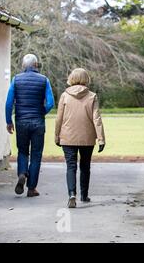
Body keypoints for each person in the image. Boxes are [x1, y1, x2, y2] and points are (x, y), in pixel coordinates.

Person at [55, 68, 105, 208]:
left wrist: (57, 136)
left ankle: (72, 194)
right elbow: (97, 118)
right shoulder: (92, 96)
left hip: (67, 136)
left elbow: (59, 118)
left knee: (71, 166)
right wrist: (101, 138)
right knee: (85, 166)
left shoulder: (65, 95)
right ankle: (84, 194)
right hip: (87, 137)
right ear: (86, 79)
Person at [5, 54, 55, 197]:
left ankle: (22, 173)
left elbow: (9, 103)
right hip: (38, 122)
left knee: (22, 151)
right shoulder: (44, 80)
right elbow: (50, 103)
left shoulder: (16, 80)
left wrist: (9, 121)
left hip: (21, 121)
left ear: (23, 65)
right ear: (36, 64)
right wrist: (41, 113)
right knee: (36, 154)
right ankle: (31, 188)